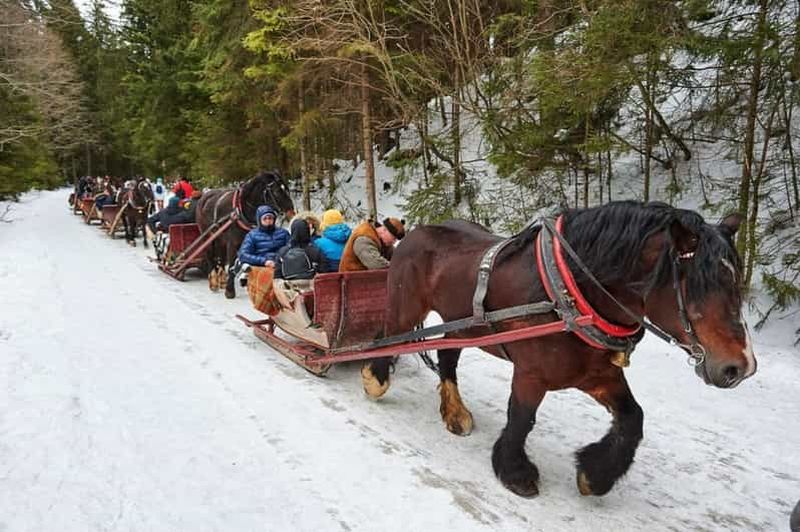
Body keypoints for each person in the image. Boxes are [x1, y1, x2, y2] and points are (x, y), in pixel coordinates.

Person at [339, 217, 405, 272]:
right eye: (393, 238)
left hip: (365, 279)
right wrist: (397, 267)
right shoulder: (364, 239)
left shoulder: (383, 240)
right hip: (351, 281)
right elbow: (375, 264)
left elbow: (396, 256)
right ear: (384, 230)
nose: (394, 242)